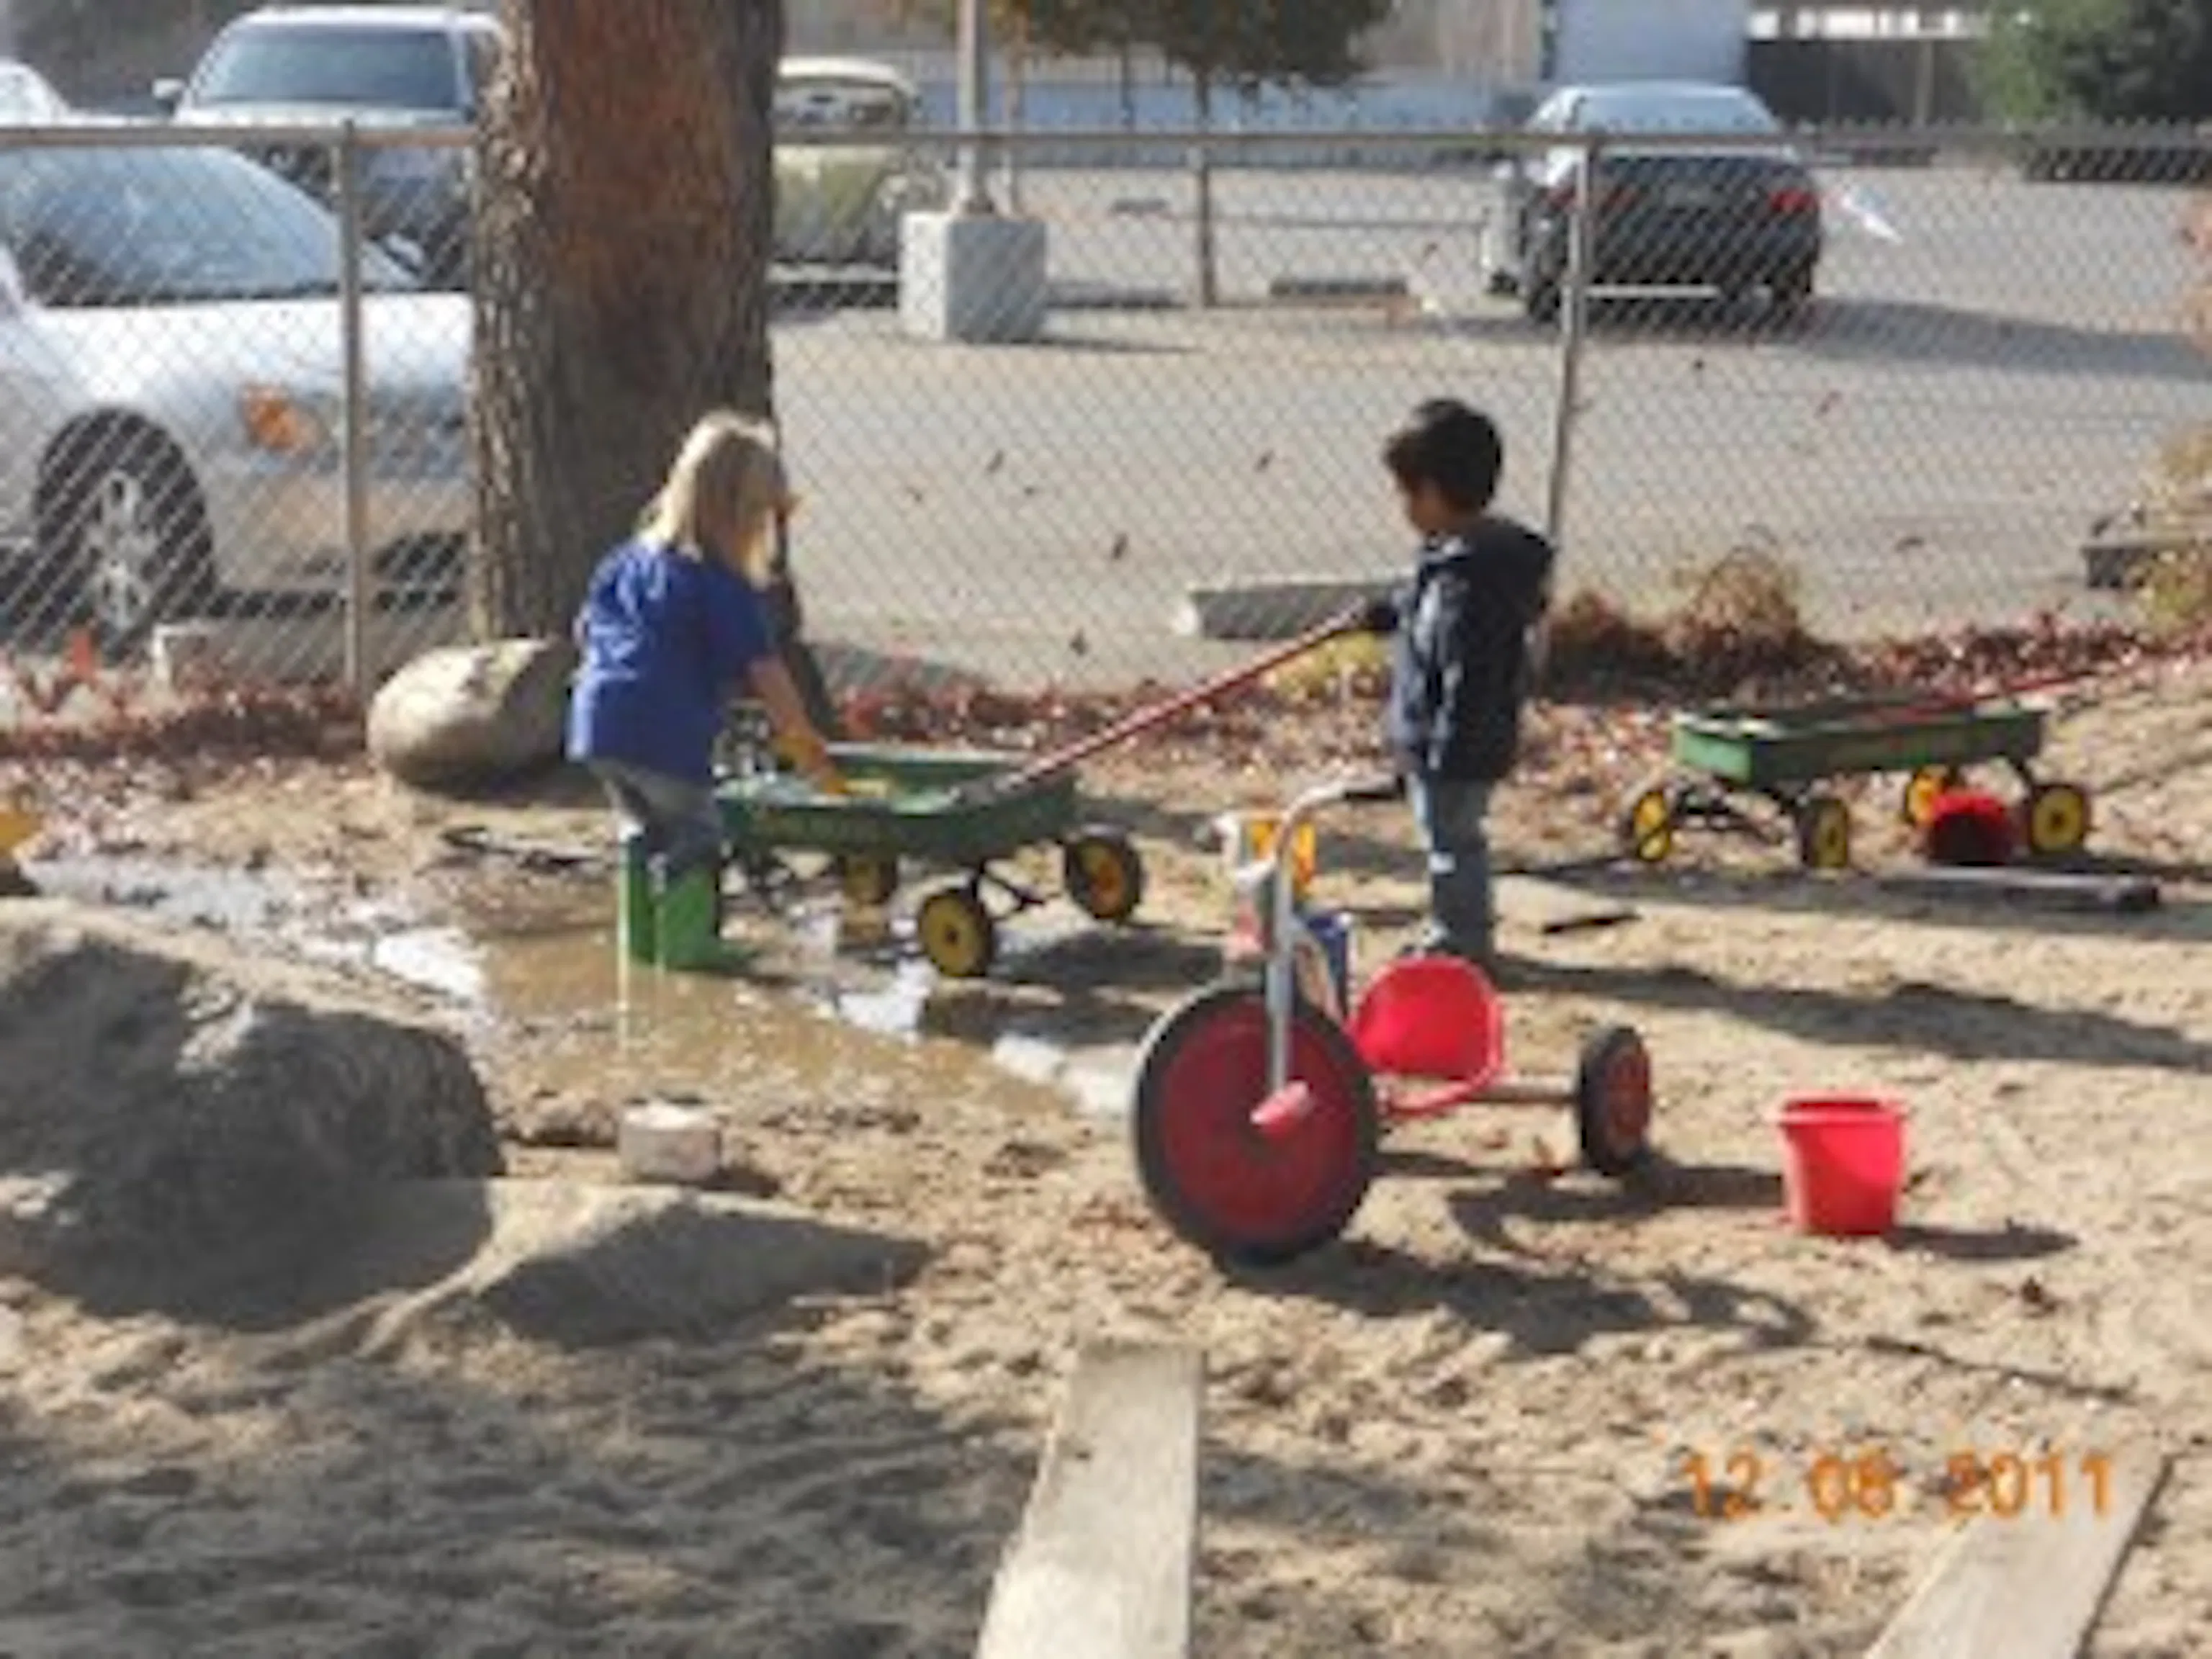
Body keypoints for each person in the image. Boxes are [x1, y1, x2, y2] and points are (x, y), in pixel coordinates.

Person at [568, 410, 845, 972]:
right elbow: (769, 677)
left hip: (598, 725)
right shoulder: (721, 588)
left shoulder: (627, 561)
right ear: (740, 517)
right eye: (765, 518)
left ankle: (641, 943)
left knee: (642, 830)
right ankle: (689, 949)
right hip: (664, 734)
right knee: (697, 833)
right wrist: (804, 745)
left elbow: (584, 630)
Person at [1362, 398, 1555, 971]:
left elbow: (1468, 675)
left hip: (1457, 746)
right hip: (1447, 739)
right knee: (1448, 838)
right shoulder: (1452, 561)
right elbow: (1420, 606)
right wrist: (1390, 612)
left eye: (1405, 493)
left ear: (1431, 493)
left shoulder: (1470, 586)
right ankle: (1453, 928)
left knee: (1453, 842)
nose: (1402, 507)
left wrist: (1445, 748)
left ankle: (1463, 942)